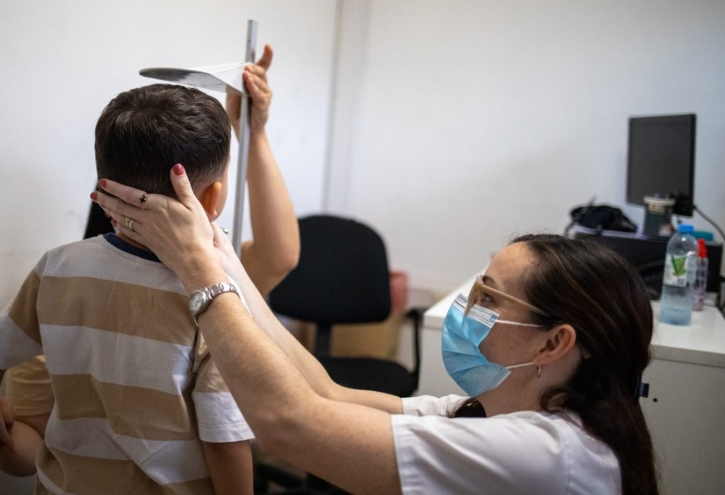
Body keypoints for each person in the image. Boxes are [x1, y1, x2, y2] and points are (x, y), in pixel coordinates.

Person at [92, 168, 659, 495]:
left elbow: (290, 424)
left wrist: (199, 276)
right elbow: (324, 392)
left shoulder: (544, 455)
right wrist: (218, 253)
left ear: (554, 342)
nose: (469, 307)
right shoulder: (490, 412)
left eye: (489, 297)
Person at [0, 46, 301, 479]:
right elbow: (227, 450)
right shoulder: (213, 299)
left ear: (105, 188)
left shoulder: (56, 276)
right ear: (214, 198)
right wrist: (0, 435)